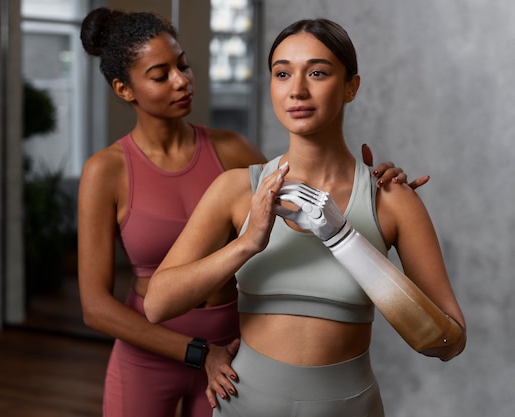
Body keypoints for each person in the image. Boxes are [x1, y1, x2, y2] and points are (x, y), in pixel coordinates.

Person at [78, 8, 423, 417]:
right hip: (154, 348)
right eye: (160, 74)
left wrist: (373, 187)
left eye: (183, 65)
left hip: (234, 353)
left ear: (350, 86)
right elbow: (97, 306)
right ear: (124, 89)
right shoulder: (106, 170)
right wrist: (198, 352)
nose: (182, 80)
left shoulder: (233, 152)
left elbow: (297, 196)